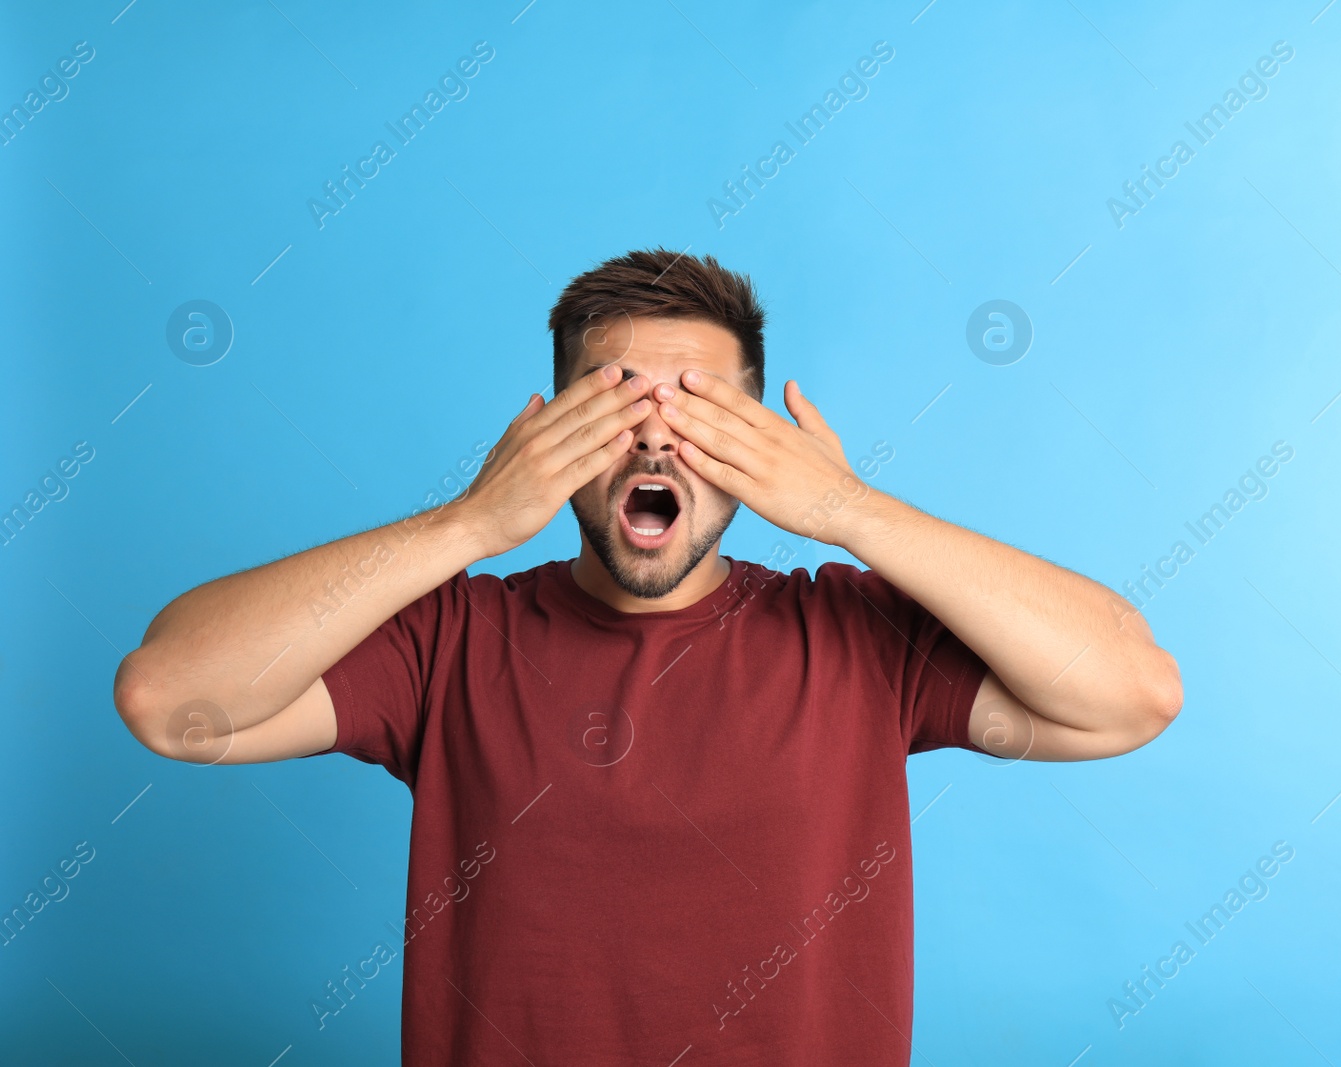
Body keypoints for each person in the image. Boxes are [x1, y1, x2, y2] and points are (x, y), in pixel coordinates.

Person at [112, 248, 1183, 1065]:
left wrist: (852, 509)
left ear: (758, 444)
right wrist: (471, 523)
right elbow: (171, 700)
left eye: (701, 411)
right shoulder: (449, 640)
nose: (659, 440)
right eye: (617, 401)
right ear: (551, 428)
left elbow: (1130, 693)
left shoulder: (856, 638)